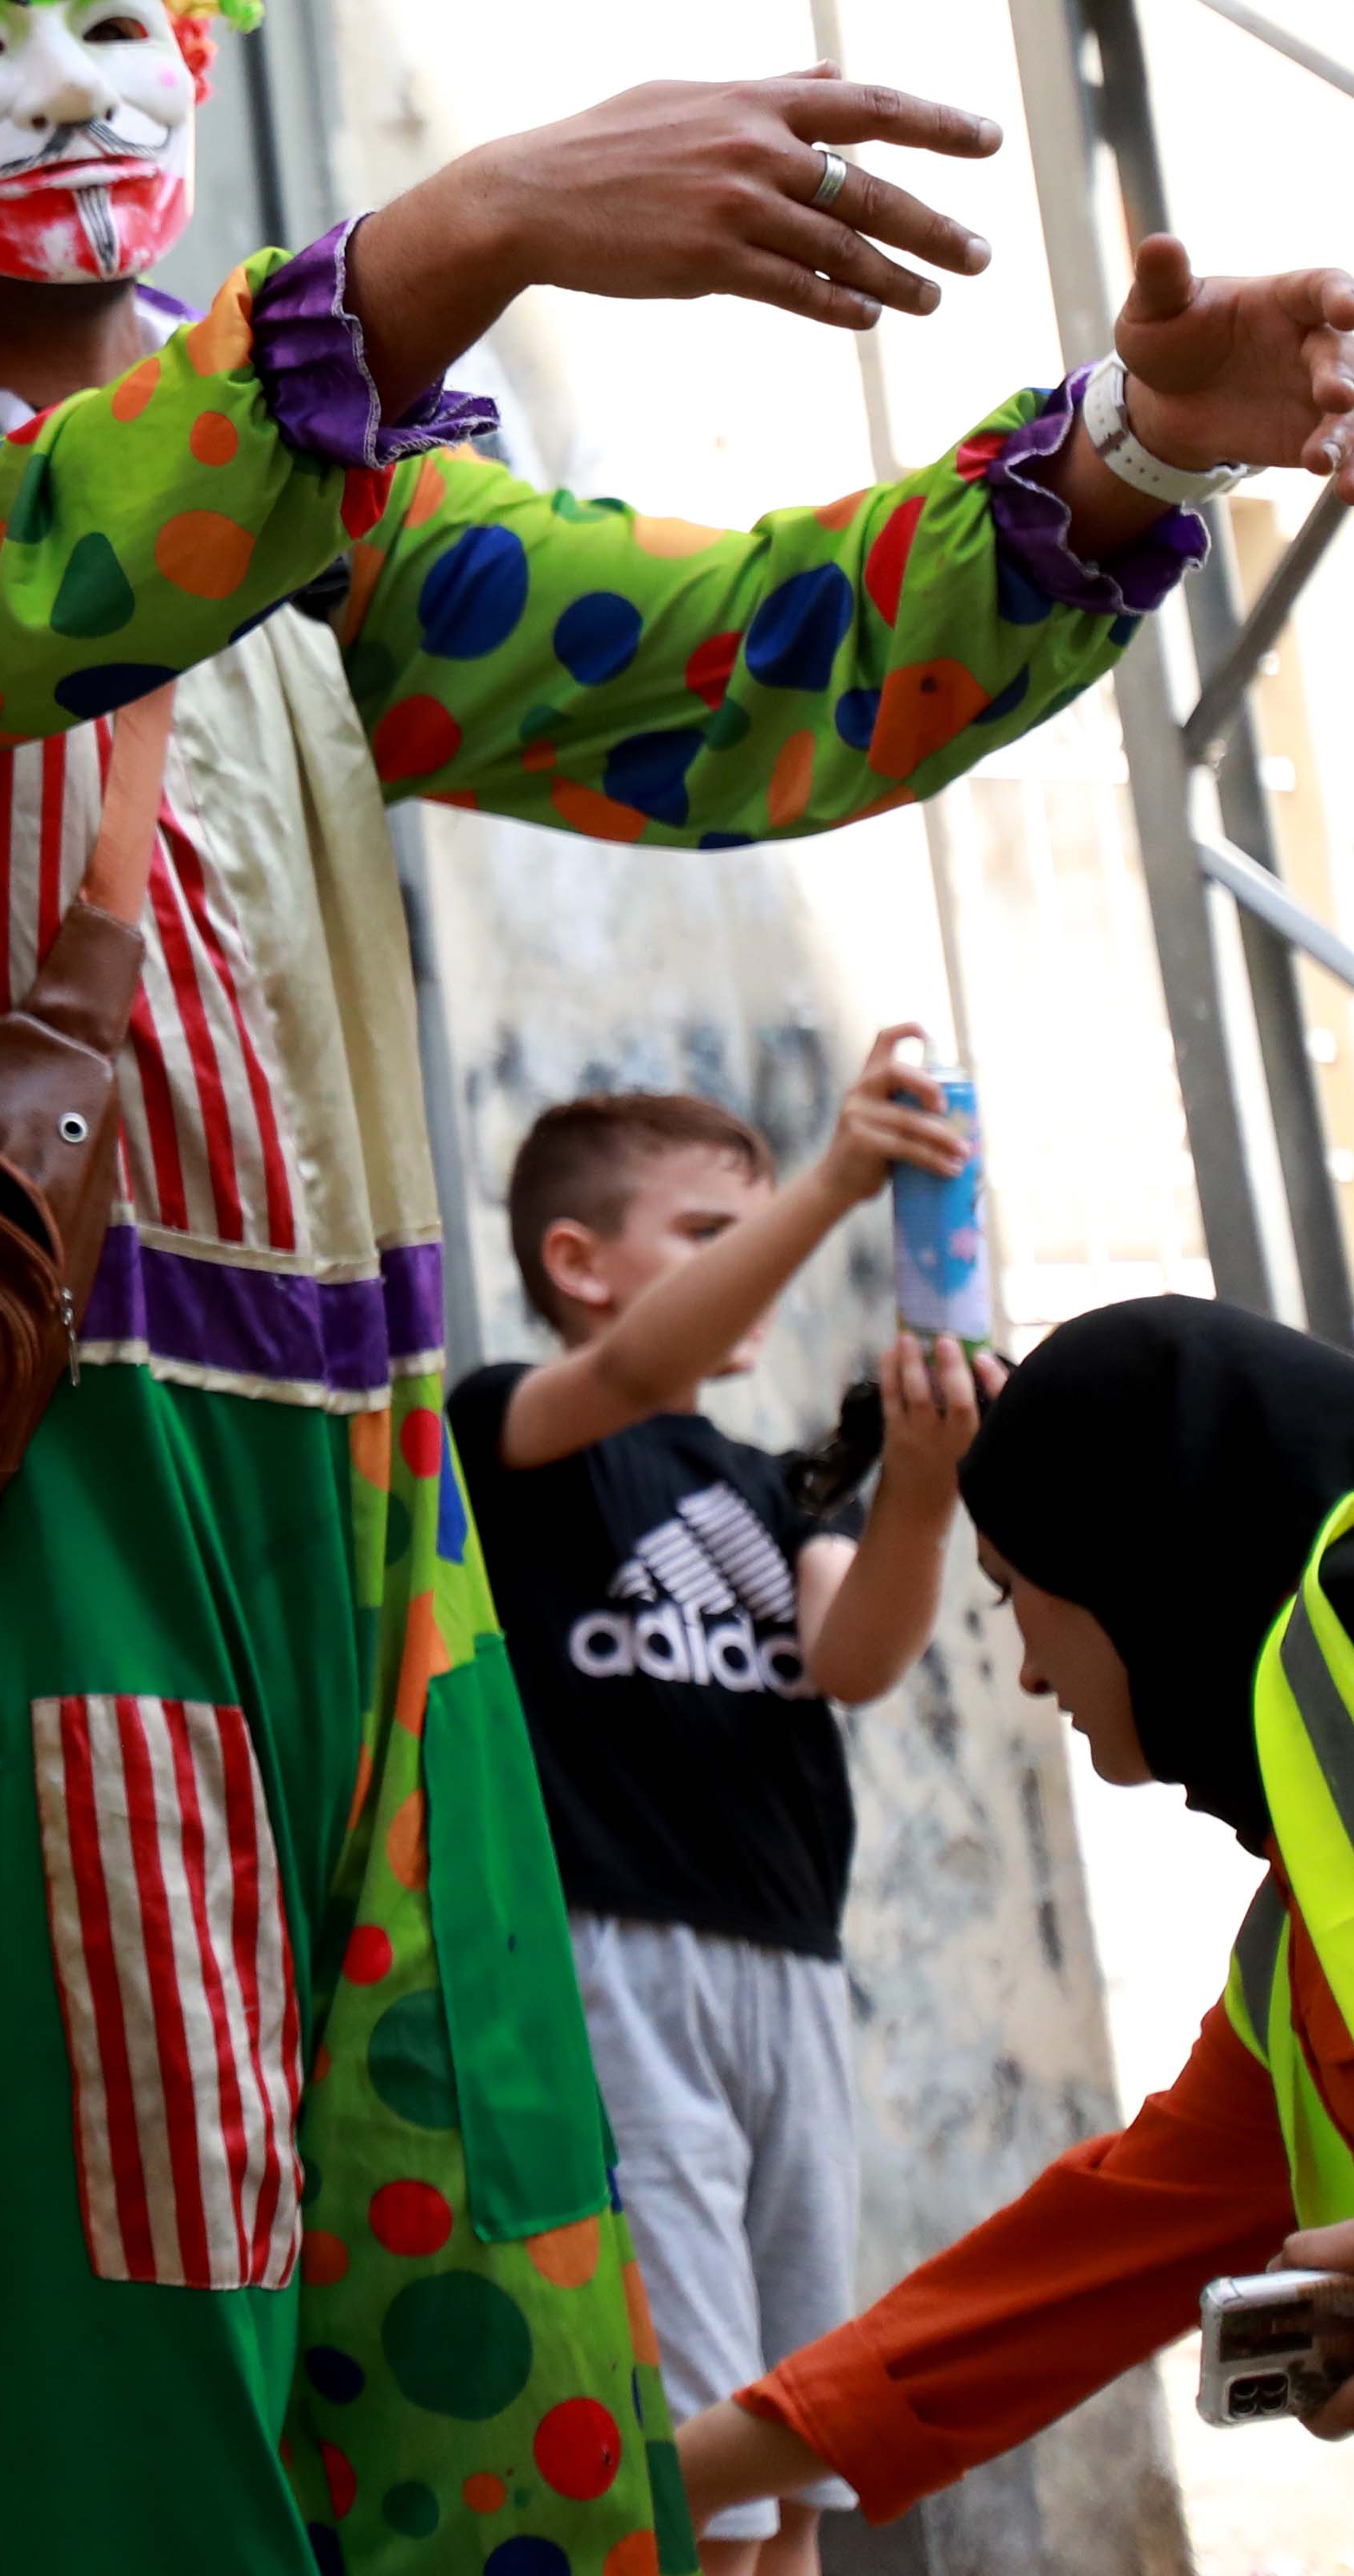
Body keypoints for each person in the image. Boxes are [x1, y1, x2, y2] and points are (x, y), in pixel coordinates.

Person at [0, 0, 1354, 2574]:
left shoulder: (332, 535)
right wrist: (464, 232)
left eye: (110, 15)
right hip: (66, 1516)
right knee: (145, 2390)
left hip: (374, 1512)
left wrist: (1109, 474)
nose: (57, 87)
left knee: (497, 2359)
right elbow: (59, 573)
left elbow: (719, 674)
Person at [671, 1302, 1354, 2543]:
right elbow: (1059, 2283)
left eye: (1006, 1598)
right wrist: (628, 2493)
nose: (1032, 1675)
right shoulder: (1308, 1953)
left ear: (1140, 1560)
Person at [455, 1041, 1004, 2576]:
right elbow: (629, 1372)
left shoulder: (775, 1490)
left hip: (793, 1973)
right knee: (700, 2436)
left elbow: (860, 1655)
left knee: (803, 2422)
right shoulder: (513, 1427)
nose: (763, 1260)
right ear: (577, 1263)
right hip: (620, 1973)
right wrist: (835, 1179)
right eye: (711, 1233)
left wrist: (922, 1483)